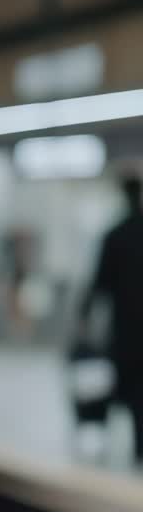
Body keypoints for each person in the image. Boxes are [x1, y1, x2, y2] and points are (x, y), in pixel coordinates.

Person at [78, 173, 143, 464]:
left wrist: (84, 316)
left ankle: (130, 441)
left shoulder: (115, 235)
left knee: (125, 384)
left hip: (125, 329)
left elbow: (98, 282)